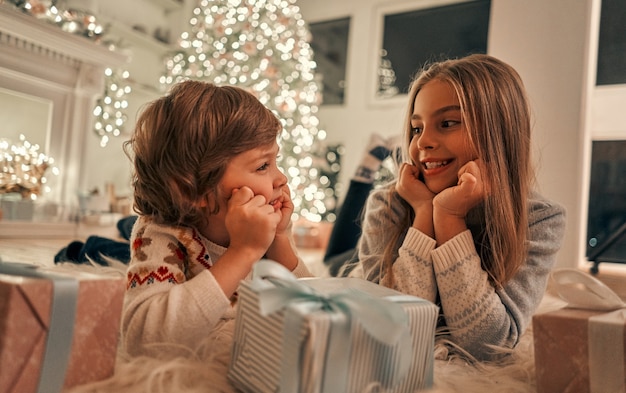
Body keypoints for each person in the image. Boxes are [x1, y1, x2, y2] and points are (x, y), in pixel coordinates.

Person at [348, 54, 566, 361]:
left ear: (497, 131)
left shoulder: (539, 218)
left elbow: (492, 344)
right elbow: (386, 330)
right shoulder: (389, 203)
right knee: (334, 259)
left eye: (447, 123)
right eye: (416, 129)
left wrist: (450, 218)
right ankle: (366, 164)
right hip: (351, 273)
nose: (423, 142)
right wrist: (424, 213)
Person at [120, 81, 312, 357]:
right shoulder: (162, 234)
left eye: (275, 161)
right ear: (192, 189)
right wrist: (243, 252)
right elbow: (143, 341)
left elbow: (313, 304)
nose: (281, 178)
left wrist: (280, 239)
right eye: (262, 166)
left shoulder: (265, 225)